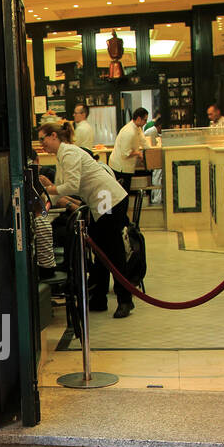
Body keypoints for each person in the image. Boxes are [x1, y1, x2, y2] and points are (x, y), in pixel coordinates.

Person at [35, 120, 134, 318]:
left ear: (54, 136)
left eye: (42, 139)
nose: (41, 144)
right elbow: (59, 191)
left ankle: (125, 300)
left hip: (109, 200)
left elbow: (70, 186)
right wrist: (43, 206)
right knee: (100, 250)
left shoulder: (69, 153)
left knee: (112, 252)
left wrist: (49, 189)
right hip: (101, 202)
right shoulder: (63, 155)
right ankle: (99, 298)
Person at [110, 108, 149, 190]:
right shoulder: (129, 132)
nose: (146, 122)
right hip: (120, 168)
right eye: (145, 120)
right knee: (122, 194)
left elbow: (143, 141)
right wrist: (138, 154)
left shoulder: (138, 128)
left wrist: (149, 152)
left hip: (127, 166)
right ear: (138, 119)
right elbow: (125, 153)